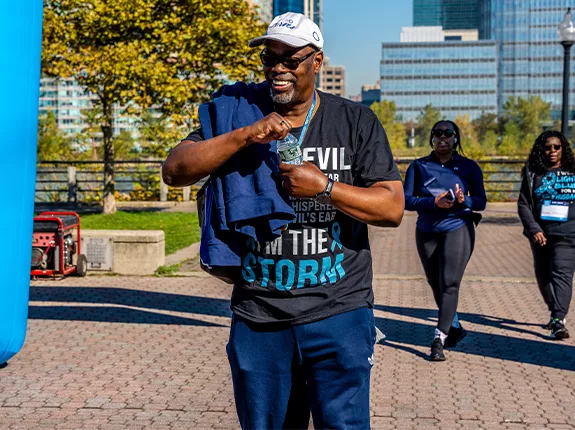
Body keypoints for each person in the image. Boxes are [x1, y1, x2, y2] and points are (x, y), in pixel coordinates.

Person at [162, 12, 404, 430]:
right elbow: (175, 170)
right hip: (259, 314)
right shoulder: (237, 111)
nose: (278, 68)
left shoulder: (355, 121)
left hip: (338, 309)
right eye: (270, 58)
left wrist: (325, 188)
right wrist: (245, 136)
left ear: (317, 61)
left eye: (291, 59)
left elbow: (391, 208)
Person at [403, 120, 486, 361]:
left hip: (458, 227)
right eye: (437, 134)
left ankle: (439, 338)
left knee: (450, 283)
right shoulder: (419, 166)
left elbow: (480, 201)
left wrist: (465, 201)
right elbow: (406, 200)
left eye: (448, 134)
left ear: (456, 139)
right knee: (436, 282)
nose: (443, 138)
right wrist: (432, 203)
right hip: (427, 229)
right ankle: (455, 327)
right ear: (431, 139)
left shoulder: (469, 167)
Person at [518, 130, 575, 340]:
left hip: (569, 234)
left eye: (556, 147)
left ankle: (558, 320)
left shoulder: (573, 171)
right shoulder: (533, 173)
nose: (552, 151)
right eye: (547, 147)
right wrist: (534, 229)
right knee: (543, 277)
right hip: (540, 234)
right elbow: (523, 204)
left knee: (562, 274)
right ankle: (555, 310)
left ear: (563, 149)